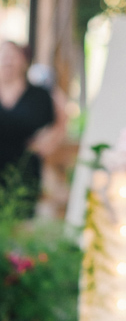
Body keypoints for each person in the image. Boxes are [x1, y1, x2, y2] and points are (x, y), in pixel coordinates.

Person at [0, 40, 67, 216]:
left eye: (12, 56)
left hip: (25, 168)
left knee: (19, 223)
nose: (7, 61)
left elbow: (60, 122)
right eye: (3, 56)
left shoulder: (40, 95)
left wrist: (51, 141)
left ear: (23, 60)